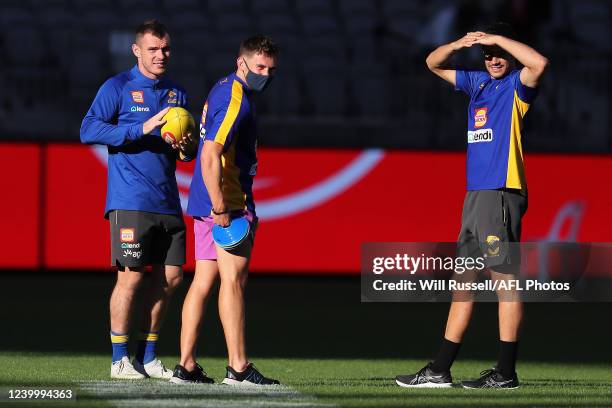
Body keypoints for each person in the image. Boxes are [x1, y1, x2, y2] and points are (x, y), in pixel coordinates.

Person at [395, 22, 548, 389]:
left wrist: (497, 39)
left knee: (504, 282)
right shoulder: (476, 82)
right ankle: (439, 370)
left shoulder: (517, 86)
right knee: (463, 282)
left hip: (500, 192)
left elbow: (540, 63)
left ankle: (506, 373)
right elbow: (432, 63)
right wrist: (462, 43)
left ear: (511, 54)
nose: (495, 58)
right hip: (477, 196)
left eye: (500, 54)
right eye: (489, 54)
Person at [80, 19, 196, 380]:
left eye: (165, 49)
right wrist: (141, 127)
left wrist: (185, 149)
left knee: (172, 278)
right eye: (153, 49)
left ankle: (147, 357)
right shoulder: (117, 86)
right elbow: (88, 129)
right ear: (136, 51)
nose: (160, 55)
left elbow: (187, 153)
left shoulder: (177, 94)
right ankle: (119, 359)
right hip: (130, 199)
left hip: (167, 200)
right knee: (130, 279)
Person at [169, 35, 280, 386]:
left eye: (270, 69)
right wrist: (222, 205)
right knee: (234, 281)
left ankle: (186, 366)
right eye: (259, 67)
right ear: (241, 62)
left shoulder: (223, 87)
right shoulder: (237, 100)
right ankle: (239, 368)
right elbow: (209, 153)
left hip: (204, 200)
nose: (264, 74)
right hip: (226, 203)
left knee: (203, 281)